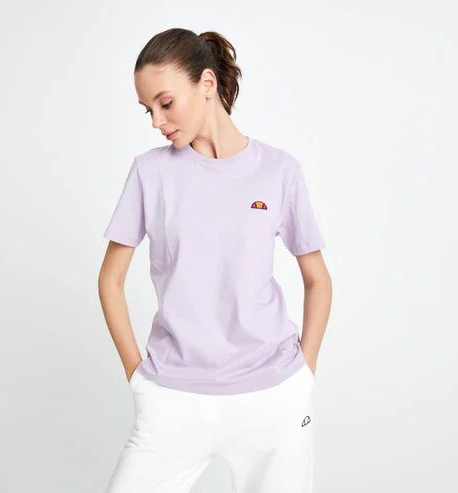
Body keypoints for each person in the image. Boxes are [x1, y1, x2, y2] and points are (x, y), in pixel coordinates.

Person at [98, 27, 332, 493]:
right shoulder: (150, 173)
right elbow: (110, 280)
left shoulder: (279, 171)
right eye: (148, 109)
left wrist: (304, 373)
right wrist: (137, 377)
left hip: (272, 395)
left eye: (166, 103)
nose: (156, 120)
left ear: (207, 83)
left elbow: (317, 279)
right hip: (174, 398)